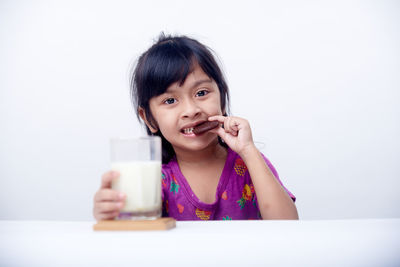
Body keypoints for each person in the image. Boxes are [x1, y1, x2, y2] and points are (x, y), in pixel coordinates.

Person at [93, 33, 298, 221]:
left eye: (201, 93)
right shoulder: (154, 182)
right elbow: (134, 240)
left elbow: (287, 226)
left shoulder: (249, 164)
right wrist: (113, 213)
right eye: (170, 100)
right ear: (149, 119)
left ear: (223, 100)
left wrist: (248, 150)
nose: (191, 110)